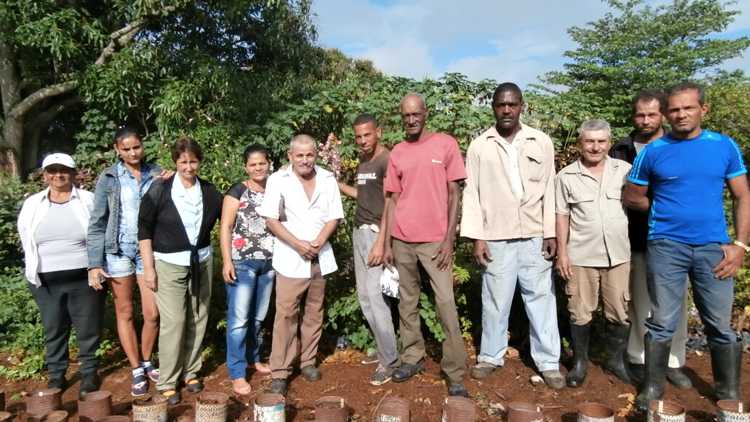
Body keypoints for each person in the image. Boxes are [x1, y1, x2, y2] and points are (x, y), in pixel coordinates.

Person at [624, 82, 750, 409]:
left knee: (720, 324)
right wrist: (667, 210)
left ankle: (728, 392)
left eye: (688, 108)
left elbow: (743, 195)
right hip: (666, 247)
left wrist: (739, 245)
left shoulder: (724, 147)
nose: (681, 115)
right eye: (675, 110)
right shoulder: (654, 151)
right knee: (662, 320)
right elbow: (632, 196)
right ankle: (652, 390)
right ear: (667, 114)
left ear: (703, 110)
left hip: (715, 249)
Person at [460, 82, 564, 389]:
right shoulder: (480, 146)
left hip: (534, 235)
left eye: (512, 104)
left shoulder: (540, 141)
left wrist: (550, 232)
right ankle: (490, 356)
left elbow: (549, 188)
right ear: (493, 107)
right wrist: (478, 237)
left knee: (541, 299)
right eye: (501, 105)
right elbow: (473, 194)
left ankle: (548, 361)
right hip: (496, 237)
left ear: (522, 106)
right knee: (495, 300)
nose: (506, 110)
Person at [382, 93, 469, 397]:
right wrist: (389, 242)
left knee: (445, 302)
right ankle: (412, 358)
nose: (411, 120)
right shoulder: (398, 153)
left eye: (416, 114)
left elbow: (454, 193)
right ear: (401, 117)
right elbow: (392, 199)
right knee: (407, 303)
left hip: (435, 241)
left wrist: (449, 238)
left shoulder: (445, 144)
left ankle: (455, 372)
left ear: (425, 114)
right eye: (406, 115)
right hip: (402, 239)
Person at [610, 91, 692, 389]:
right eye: (640, 115)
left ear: (663, 116)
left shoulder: (679, 147)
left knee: (675, 303)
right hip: (634, 236)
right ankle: (638, 356)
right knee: (639, 301)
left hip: (674, 238)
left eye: (652, 115)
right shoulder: (620, 149)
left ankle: (673, 361)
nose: (645, 121)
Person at [257, 134, 344, 395]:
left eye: (310, 155)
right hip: (291, 257)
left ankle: (307, 361)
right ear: (290, 155)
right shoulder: (278, 180)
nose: (305, 160)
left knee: (314, 311)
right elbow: (271, 219)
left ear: (316, 154)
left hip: (319, 253)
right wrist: (298, 244)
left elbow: (334, 216)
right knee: (285, 314)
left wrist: (318, 241)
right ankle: (281, 370)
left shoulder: (327, 178)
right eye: (300, 155)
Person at [138, 137, 223, 405]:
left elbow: (231, 216)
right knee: (174, 321)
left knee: (199, 316)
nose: (188, 166)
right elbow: (144, 230)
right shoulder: (160, 189)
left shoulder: (209, 191)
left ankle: (191, 370)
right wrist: (149, 268)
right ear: (175, 162)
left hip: (202, 261)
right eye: (183, 161)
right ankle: (167, 380)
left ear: (200, 162)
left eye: (193, 161)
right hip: (168, 262)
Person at [18, 153, 104, 398]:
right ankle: (56, 376)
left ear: (74, 174)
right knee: (54, 328)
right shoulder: (33, 204)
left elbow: (99, 232)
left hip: (84, 277)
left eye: (63, 170)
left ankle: (89, 374)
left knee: (88, 329)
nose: (58, 175)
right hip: (45, 280)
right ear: (44, 175)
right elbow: (25, 235)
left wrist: (96, 266)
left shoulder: (87, 200)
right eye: (52, 171)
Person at [555, 119, 632, 387]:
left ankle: (616, 360)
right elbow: (562, 216)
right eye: (589, 141)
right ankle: (580, 363)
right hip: (581, 256)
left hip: (618, 255)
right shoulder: (566, 177)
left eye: (601, 141)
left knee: (619, 312)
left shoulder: (625, 171)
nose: (595, 147)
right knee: (579, 311)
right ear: (580, 143)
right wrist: (562, 253)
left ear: (609, 143)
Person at [87, 127, 161, 397]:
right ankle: (136, 368)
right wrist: (94, 263)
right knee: (126, 312)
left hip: (148, 251)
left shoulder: (156, 173)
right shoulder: (108, 177)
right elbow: (97, 222)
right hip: (117, 251)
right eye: (126, 148)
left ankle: (147, 359)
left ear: (143, 146)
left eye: (136, 147)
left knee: (152, 313)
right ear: (117, 149)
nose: (133, 152)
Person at [337, 114, 398, 386]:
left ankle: (390, 360)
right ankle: (382, 348)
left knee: (376, 298)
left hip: (376, 234)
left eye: (367, 135)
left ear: (379, 132)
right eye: (358, 136)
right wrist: (337, 185)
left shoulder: (387, 160)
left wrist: (382, 242)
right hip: (359, 232)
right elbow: (364, 195)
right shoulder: (364, 162)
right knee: (364, 296)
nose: (362, 141)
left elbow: (391, 203)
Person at [219, 144, 275, 396]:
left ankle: (254, 358)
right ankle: (238, 372)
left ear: (269, 163)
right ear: (246, 167)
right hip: (242, 262)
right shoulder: (237, 191)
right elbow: (226, 227)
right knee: (239, 320)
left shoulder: (275, 188)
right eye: (253, 164)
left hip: (269, 262)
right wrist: (227, 261)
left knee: (258, 317)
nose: (258, 168)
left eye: (262, 163)